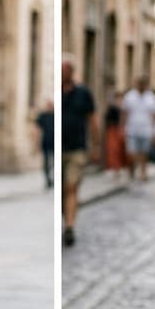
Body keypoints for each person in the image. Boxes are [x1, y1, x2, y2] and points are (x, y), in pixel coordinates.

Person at [59, 57, 95, 246]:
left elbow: (93, 120)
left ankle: (70, 227)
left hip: (77, 149)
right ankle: (66, 217)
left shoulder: (83, 94)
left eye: (65, 69)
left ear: (71, 72)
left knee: (72, 187)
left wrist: (95, 146)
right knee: (61, 191)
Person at [121, 77, 155, 182]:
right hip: (132, 129)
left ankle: (143, 172)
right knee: (131, 152)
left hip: (146, 130)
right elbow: (125, 113)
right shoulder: (130, 96)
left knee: (144, 152)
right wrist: (123, 128)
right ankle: (133, 169)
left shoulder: (151, 97)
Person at [102, 93, 126, 175]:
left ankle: (123, 168)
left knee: (123, 151)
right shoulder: (112, 109)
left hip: (121, 130)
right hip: (113, 131)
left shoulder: (123, 109)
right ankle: (116, 169)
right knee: (114, 150)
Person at [35, 100, 56, 189]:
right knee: (46, 163)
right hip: (46, 143)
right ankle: (48, 180)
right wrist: (36, 144)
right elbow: (37, 129)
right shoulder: (43, 116)